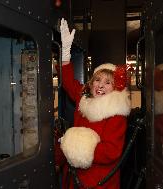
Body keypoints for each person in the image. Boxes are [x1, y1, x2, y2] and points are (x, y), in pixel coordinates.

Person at [54, 18, 131, 189]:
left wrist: (78, 148)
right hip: (75, 178)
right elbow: (68, 82)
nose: (101, 85)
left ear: (115, 88)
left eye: (107, 82)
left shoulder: (116, 114)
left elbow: (111, 151)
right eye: (97, 80)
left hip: (99, 181)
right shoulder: (84, 98)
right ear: (91, 83)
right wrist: (65, 53)